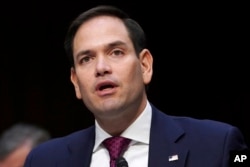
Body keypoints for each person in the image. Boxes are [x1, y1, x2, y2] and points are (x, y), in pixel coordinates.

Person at [24, 5, 248, 167]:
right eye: (86, 59)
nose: (101, 67)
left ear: (145, 66)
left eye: (116, 52)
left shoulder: (219, 145)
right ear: (75, 82)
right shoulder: (44, 160)